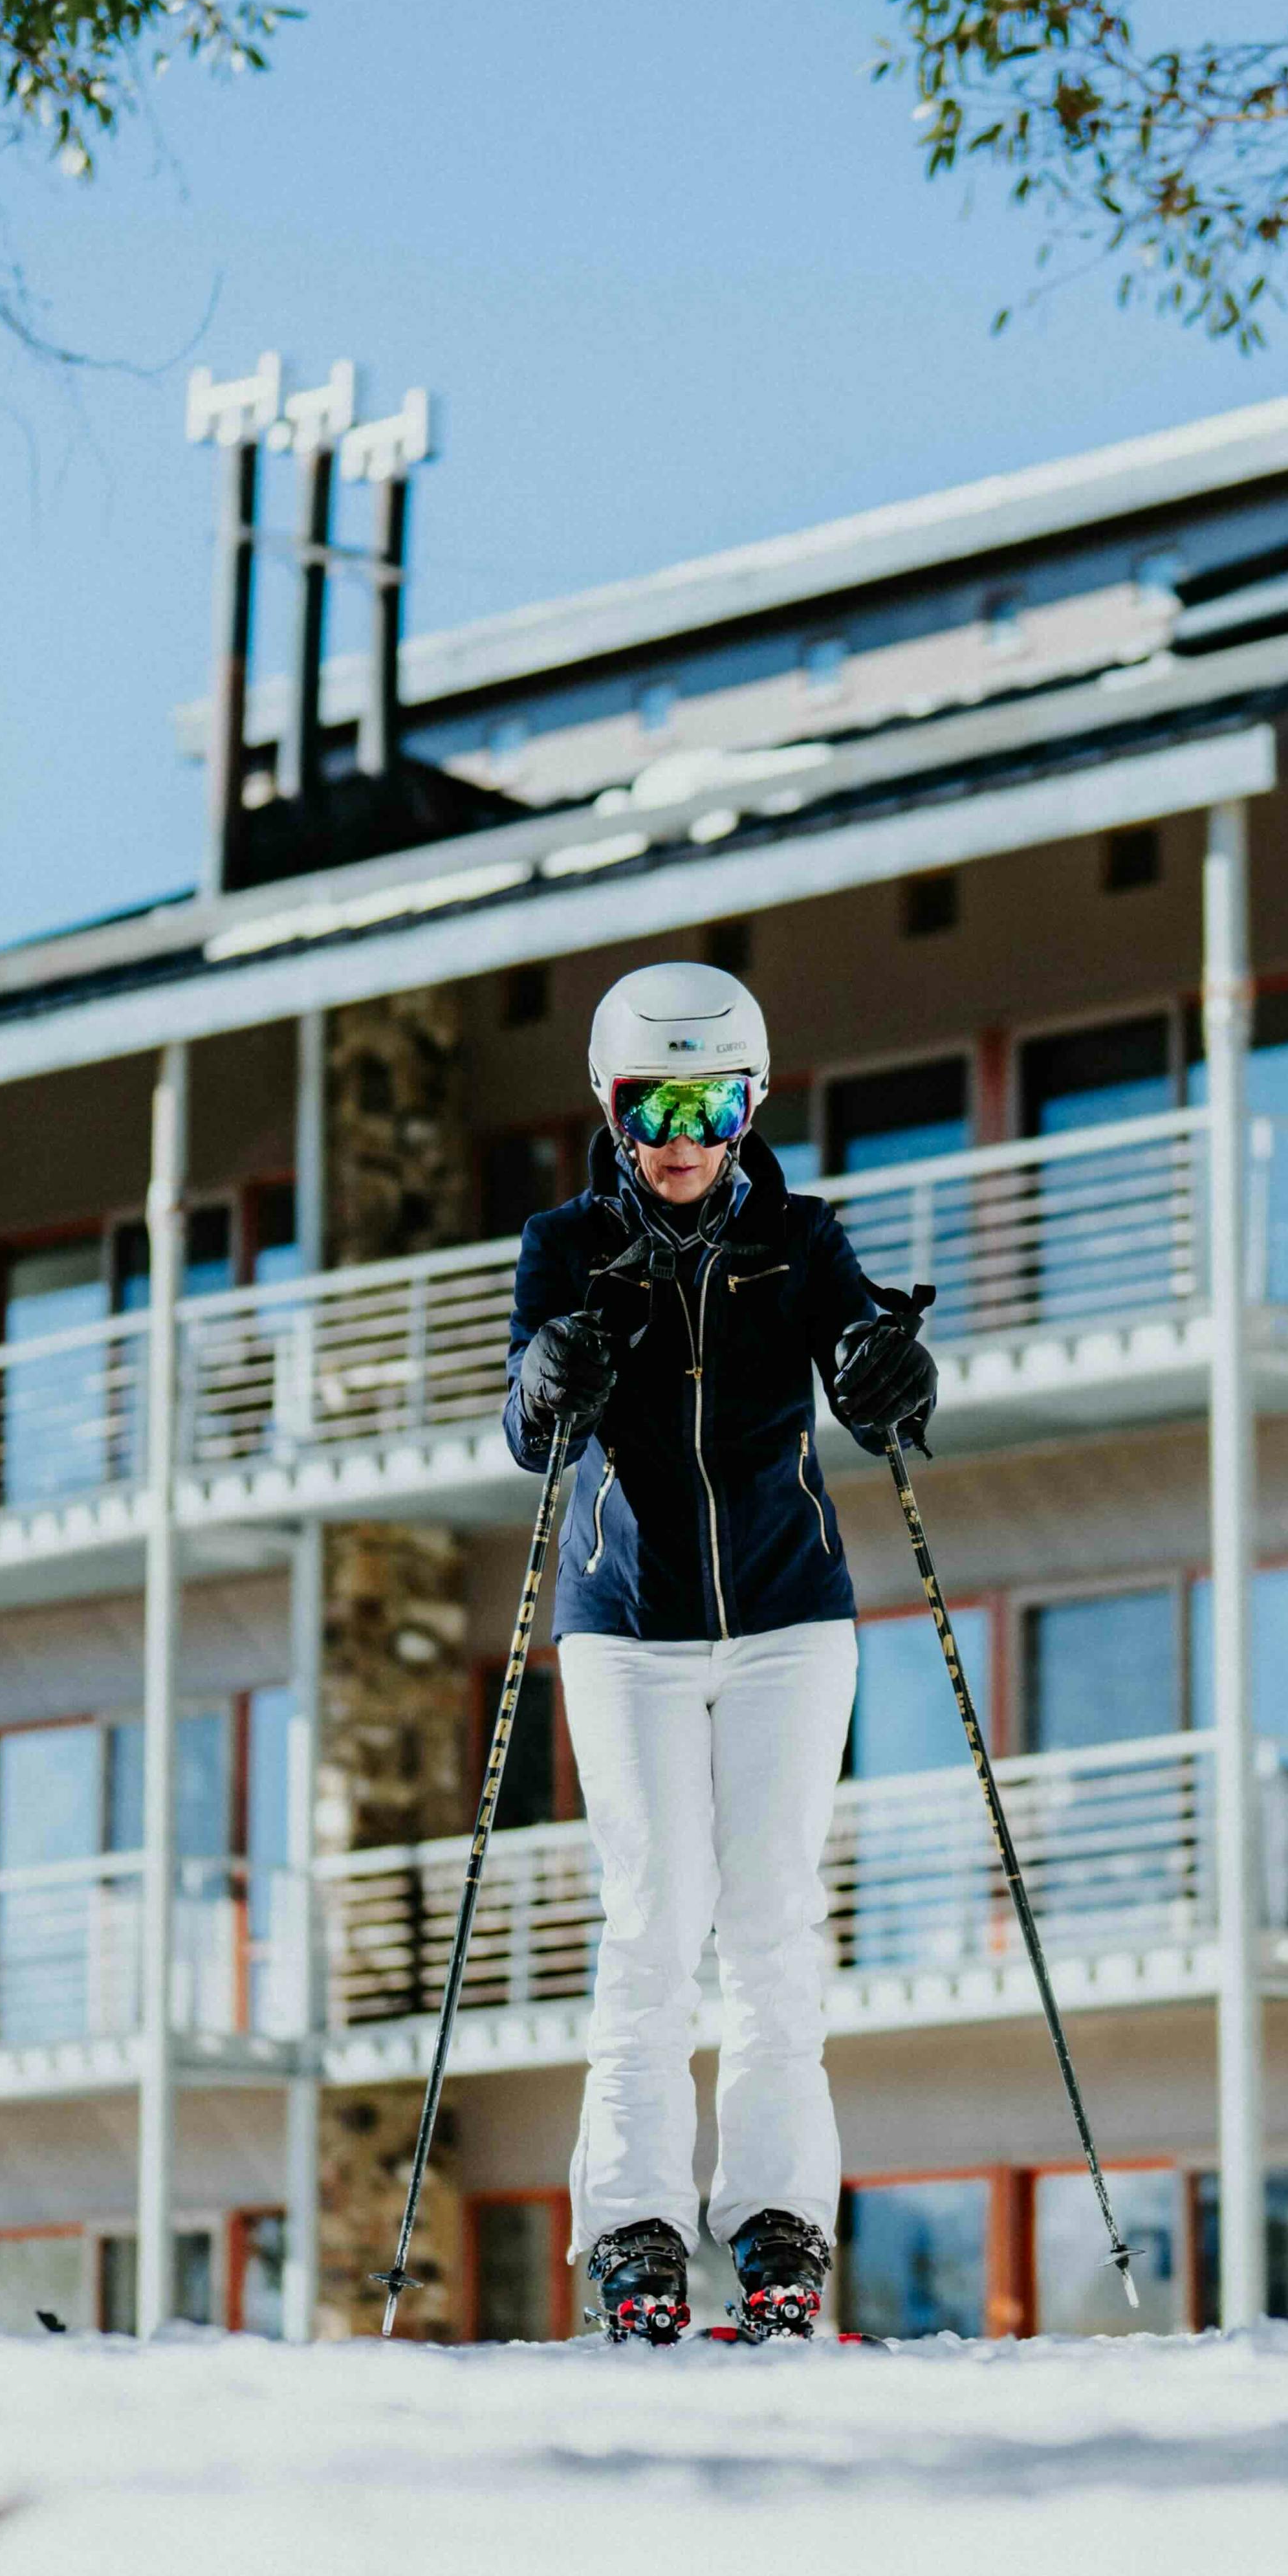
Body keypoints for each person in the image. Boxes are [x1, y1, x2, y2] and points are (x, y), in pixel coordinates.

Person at [503, 961, 939, 2343]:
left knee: (770, 1922)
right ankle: (633, 2228)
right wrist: (551, 1374)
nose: (679, 1136)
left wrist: (888, 1370)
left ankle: (776, 2226)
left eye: (710, 1102)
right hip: (623, 1628)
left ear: (749, 1106)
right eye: (652, 1106)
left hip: (787, 1621)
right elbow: (527, 1428)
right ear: (611, 1108)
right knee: (650, 1917)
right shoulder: (562, 1245)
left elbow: (869, 1367)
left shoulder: (800, 1240)